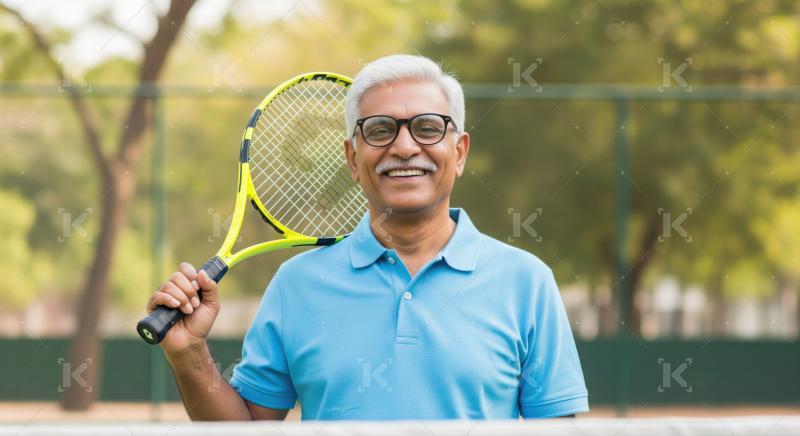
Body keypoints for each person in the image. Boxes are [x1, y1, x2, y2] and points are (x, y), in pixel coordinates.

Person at [146, 54, 589, 420]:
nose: (404, 147)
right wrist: (189, 353)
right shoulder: (295, 285)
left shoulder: (526, 282)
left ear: (459, 152)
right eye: (379, 129)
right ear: (353, 158)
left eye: (428, 127)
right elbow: (244, 432)